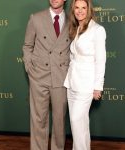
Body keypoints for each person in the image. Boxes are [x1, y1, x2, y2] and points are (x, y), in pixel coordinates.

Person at [22, 0, 70, 150]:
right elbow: (27, 46)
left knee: (59, 121)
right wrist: (30, 68)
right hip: (39, 77)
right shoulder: (36, 18)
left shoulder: (72, 20)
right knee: (38, 119)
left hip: (61, 77)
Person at [64, 0, 106, 149]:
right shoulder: (75, 27)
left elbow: (100, 60)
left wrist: (98, 86)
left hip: (86, 84)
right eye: (77, 7)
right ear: (73, 9)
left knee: (76, 121)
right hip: (71, 82)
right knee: (81, 124)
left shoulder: (97, 30)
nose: (80, 11)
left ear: (89, 9)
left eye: (83, 7)